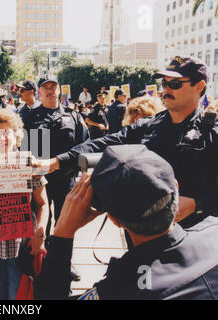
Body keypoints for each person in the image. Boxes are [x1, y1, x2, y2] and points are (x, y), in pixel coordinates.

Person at [33, 56, 218, 229]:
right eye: (164, 83)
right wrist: (54, 163)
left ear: (199, 86)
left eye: (175, 84)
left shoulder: (211, 133)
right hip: (143, 235)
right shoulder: (149, 126)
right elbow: (103, 143)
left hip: (193, 239)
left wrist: (196, 204)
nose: (166, 90)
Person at [36, 145, 218, 300]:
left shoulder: (118, 289)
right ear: (176, 189)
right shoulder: (213, 232)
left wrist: (62, 233)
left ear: (114, 220)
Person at [0, 108, 49, 300]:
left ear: (16, 134)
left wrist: (39, 235)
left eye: (6, 132)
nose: (2, 138)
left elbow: (43, 204)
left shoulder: (29, 163)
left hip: (23, 248)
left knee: (23, 297)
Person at [23, 74, 89, 234]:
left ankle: (60, 258)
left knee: (65, 226)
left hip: (65, 179)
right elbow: (21, 148)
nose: (50, 90)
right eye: (45, 87)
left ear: (59, 90)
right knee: (39, 227)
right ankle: (40, 257)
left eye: (53, 87)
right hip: (37, 180)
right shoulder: (29, 117)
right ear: (39, 91)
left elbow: (85, 145)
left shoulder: (73, 116)